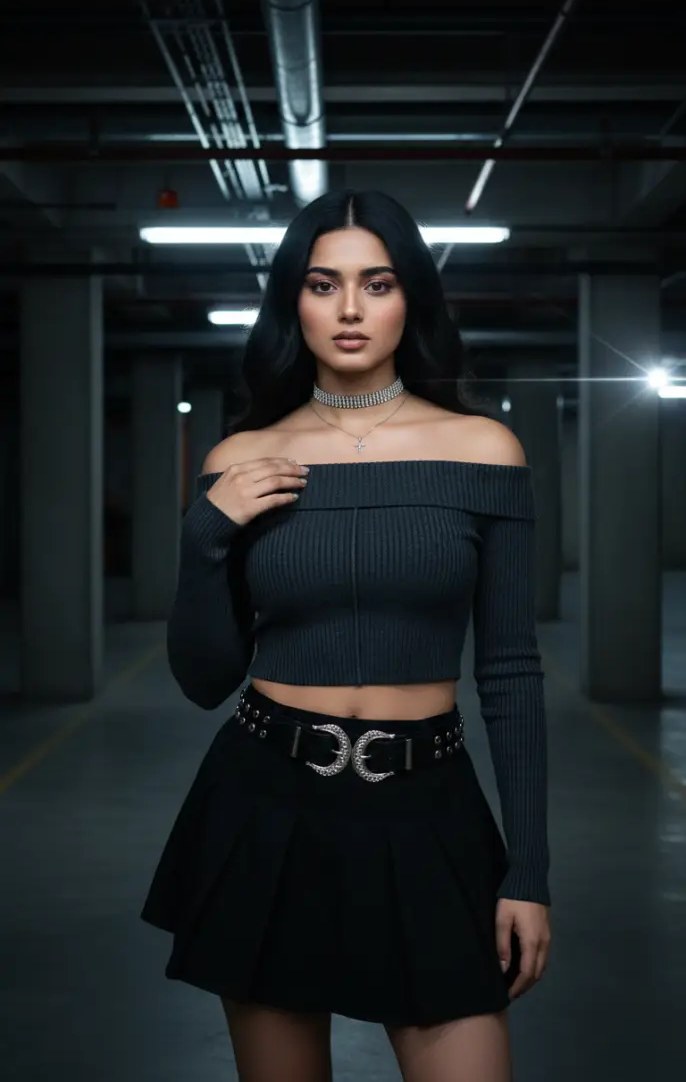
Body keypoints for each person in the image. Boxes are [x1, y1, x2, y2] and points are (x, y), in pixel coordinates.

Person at [140, 189, 552, 1082]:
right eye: (325, 285)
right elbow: (205, 677)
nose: (353, 309)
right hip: (266, 805)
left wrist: (530, 872)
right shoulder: (239, 458)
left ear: (413, 301)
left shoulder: (485, 451)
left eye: (379, 283)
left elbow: (513, 673)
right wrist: (204, 535)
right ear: (294, 300)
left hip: (428, 808)